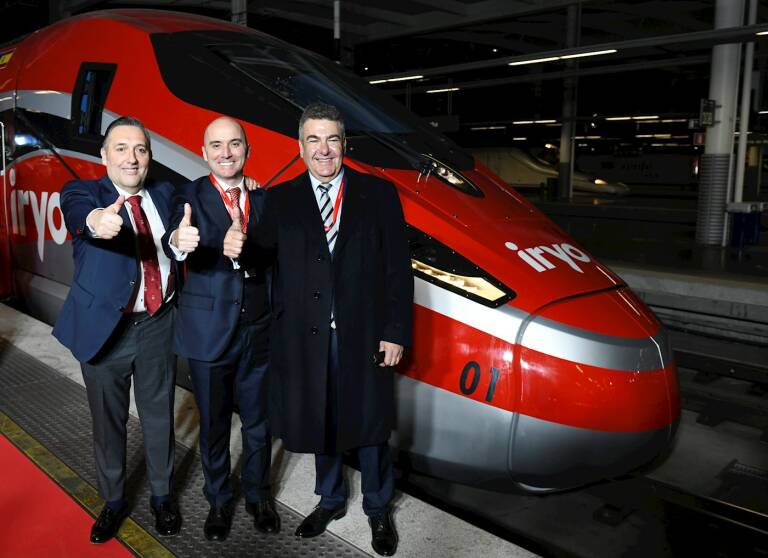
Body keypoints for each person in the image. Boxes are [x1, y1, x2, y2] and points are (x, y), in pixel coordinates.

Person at [259, 102, 413, 556]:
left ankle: (378, 507)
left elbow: (396, 271)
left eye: (331, 139)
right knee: (320, 418)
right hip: (308, 338)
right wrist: (235, 246)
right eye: (313, 139)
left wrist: (396, 330)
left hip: (364, 333)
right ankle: (330, 499)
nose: (323, 149)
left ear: (344, 143)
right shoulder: (281, 198)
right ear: (300, 146)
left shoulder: (378, 194)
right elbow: (260, 258)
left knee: (370, 425)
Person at [52, 116, 181, 543]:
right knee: (108, 424)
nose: (132, 157)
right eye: (122, 148)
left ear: (149, 157)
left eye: (141, 149)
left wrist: (248, 185)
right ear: (104, 155)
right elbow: (75, 210)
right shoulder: (85, 192)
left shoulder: (163, 194)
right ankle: (112, 501)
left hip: (157, 324)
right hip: (108, 331)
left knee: (159, 417)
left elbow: (203, 204)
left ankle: (163, 497)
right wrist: (95, 221)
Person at [162, 116, 279, 541]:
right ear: (203, 150)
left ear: (247, 150)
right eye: (216, 145)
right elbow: (174, 235)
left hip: (259, 329)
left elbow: (272, 256)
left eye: (234, 144)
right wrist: (180, 240)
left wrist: (249, 250)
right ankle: (218, 500)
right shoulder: (187, 194)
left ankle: (258, 495)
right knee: (212, 423)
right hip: (208, 331)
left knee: (258, 422)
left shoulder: (264, 199)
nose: (225, 153)